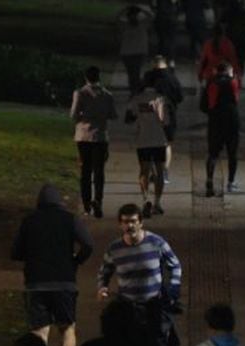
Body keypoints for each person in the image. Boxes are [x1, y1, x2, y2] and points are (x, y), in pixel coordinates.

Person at [97, 203, 183, 346]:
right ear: (120, 224)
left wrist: (174, 287)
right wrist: (102, 287)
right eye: (126, 222)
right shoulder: (115, 249)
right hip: (128, 304)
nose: (130, 226)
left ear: (141, 223)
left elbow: (175, 265)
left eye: (134, 222)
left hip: (154, 302)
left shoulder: (156, 243)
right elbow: (105, 270)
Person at [11, 184, 94, 346]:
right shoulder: (69, 219)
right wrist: (75, 260)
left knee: (39, 332)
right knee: (67, 327)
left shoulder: (29, 222)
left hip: (36, 283)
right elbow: (88, 244)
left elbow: (16, 252)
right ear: (59, 202)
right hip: (64, 282)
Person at [71, 66, 118, 219]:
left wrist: (83, 116)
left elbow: (73, 115)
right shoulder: (107, 95)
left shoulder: (80, 93)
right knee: (99, 172)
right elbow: (113, 115)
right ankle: (98, 200)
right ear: (99, 77)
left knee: (85, 171)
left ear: (86, 77)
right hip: (100, 137)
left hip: (83, 136)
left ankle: (86, 204)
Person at [125, 73, 170, 217]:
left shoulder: (136, 99)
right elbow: (165, 121)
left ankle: (145, 199)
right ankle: (157, 203)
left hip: (142, 140)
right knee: (159, 172)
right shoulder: (160, 99)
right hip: (158, 140)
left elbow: (129, 118)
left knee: (144, 170)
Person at [200, 61, 242, 197]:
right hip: (231, 119)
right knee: (232, 153)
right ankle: (231, 182)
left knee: (213, 153)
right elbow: (236, 99)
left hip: (215, 120)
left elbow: (203, 106)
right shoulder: (233, 82)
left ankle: (209, 180)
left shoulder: (210, 82)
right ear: (228, 71)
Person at [144, 56, 183, 185]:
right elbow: (180, 97)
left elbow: (139, 94)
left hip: (150, 114)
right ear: (164, 64)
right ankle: (164, 172)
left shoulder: (148, 77)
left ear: (153, 64)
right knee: (166, 143)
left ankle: (152, 173)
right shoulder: (172, 78)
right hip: (168, 114)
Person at [118, 4, 153, 94]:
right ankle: (134, 90)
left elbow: (151, 16)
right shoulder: (124, 25)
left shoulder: (143, 24)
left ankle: (135, 91)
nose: (133, 18)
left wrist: (141, 9)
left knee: (135, 73)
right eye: (131, 16)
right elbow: (117, 17)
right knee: (131, 74)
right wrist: (125, 8)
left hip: (139, 52)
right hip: (127, 53)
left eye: (135, 15)